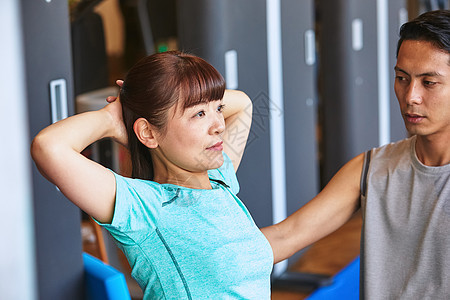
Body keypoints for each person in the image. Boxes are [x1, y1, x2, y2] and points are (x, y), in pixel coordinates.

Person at [31, 51, 273, 299]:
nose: (219, 125)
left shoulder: (217, 179)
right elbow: (48, 147)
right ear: (147, 132)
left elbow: (243, 103)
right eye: (199, 114)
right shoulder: (145, 207)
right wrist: (112, 118)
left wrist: (155, 100)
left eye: (218, 108)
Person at [261, 9, 450, 298]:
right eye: (402, 78)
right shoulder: (373, 167)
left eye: (429, 83)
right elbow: (286, 235)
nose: (411, 96)